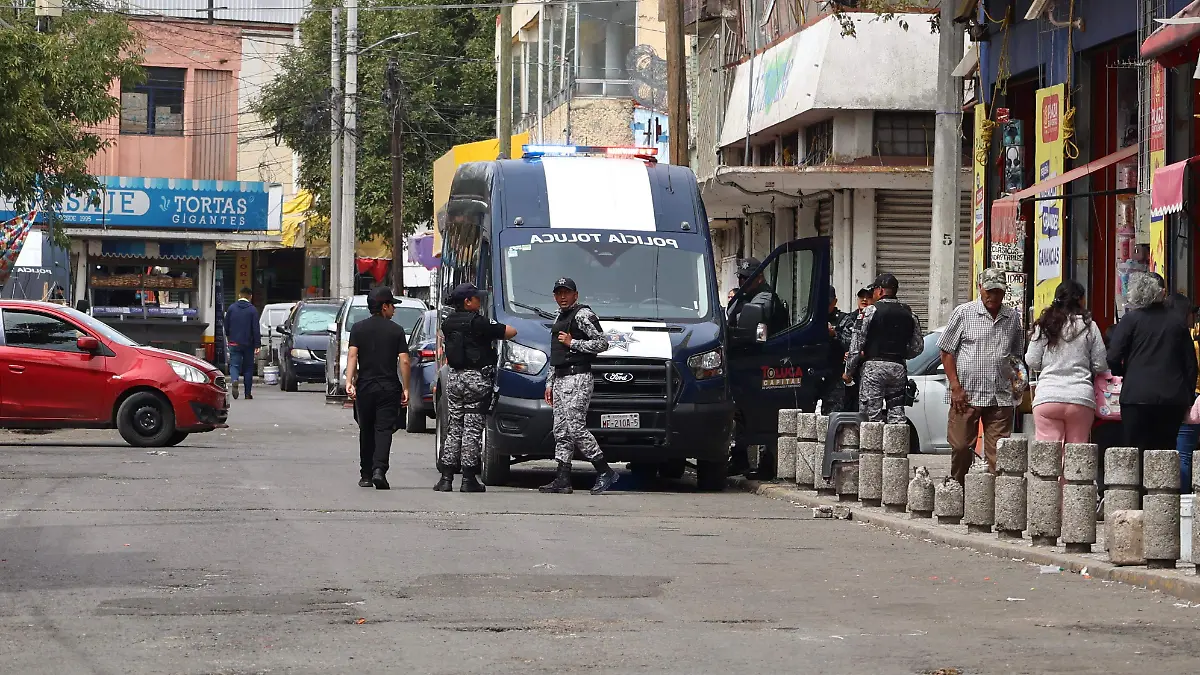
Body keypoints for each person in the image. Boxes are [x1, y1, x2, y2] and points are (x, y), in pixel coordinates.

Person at [939, 268, 1025, 483]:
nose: (993, 296)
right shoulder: (964, 312)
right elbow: (946, 351)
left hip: (1000, 396)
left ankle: (995, 503)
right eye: (989, 291)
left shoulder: (1012, 317)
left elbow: (1015, 357)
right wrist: (955, 386)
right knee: (960, 446)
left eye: (998, 292)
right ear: (980, 288)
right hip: (967, 394)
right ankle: (957, 491)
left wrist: (1017, 389)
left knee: (998, 453)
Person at [538, 277, 618, 495]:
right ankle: (562, 479)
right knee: (561, 431)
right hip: (561, 378)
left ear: (576, 294)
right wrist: (549, 382)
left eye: (566, 292)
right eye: (558, 293)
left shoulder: (582, 315)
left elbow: (603, 343)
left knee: (576, 428)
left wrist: (573, 343)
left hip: (578, 377)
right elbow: (557, 353)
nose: (562, 297)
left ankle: (605, 471)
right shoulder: (560, 316)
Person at [436, 282, 517, 493]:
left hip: (454, 378)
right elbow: (510, 332)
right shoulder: (478, 322)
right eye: (476, 298)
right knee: (472, 429)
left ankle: (446, 478)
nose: (479, 301)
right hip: (476, 380)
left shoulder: (447, 323)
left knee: (454, 427)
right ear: (467, 301)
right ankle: (468, 478)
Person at [1107, 273, 1197, 457]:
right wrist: (1187, 396)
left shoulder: (1130, 320)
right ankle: (1163, 486)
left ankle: (1136, 486)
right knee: (1165, 452)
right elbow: (1190, 364)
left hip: (1136, 396)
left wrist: (1125, 373)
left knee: (1135, 452)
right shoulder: (1177, 322)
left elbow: (1113, 356)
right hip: (1172, 397)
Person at [1024, 280, 1107, 447]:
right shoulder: (1090, 326)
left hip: (1048, 396)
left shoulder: (1044, 324)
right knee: (1077, 455)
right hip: (1080, 397)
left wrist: (1047, 365)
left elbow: (1032, 360)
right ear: (1081, 300)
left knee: (1049, 456)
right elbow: (1101, 363)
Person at [346, 286, 411, 490]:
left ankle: (365, 474)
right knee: (384, 429)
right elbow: (405, 361)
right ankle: (379, 470)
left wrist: (349, 381)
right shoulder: (396, 330)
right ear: (384, 307)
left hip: (365, 386)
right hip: (388, 387)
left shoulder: (358, 328)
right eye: (392, 306)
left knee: (366, 430)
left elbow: (352, 355)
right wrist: (406, 388)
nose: (394, 310)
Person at [843, 273, 923, 423]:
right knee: (897, 415)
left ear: (879, 291)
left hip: (874, 369)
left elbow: (855, 346)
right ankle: (896, 445)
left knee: (870, 417)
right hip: (898, 368)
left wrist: (848, 372)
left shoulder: (869, 312)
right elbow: (918, 347)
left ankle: (871, 446)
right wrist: (900, 355)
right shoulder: (910, 313)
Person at [1171, 294, 1200, 492]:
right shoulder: (1189, 338)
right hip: (1192, 398)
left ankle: (1181, 499)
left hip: (1184, 398)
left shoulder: (1175, 336)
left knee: (1182, 453)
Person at [727, 257, 789, 335]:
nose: (741, 281)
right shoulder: (746, 294)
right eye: (740, 276)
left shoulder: (765, 296)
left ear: (759, 278)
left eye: (746, 278)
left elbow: (744, 321)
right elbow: (729, 313)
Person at [820, 286, 857, 414]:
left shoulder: (844, 320)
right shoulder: (810, 319)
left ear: (834, 302)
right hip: (815, 373)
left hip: (835, 375)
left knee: (833, 414)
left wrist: (834, 334)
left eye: (828, 303)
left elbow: (851, 344)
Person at [224, 287, 260, 400]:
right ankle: (247, 393)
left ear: (239, 295)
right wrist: (257, 344)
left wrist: (230, 337)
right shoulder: (253, 310)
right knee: (248, 368)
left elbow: (226, 325)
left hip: (234, 342)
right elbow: (255, 329)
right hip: (248, 344)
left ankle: (234, 380)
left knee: (234, 365)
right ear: (250, 297)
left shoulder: (231, 308)